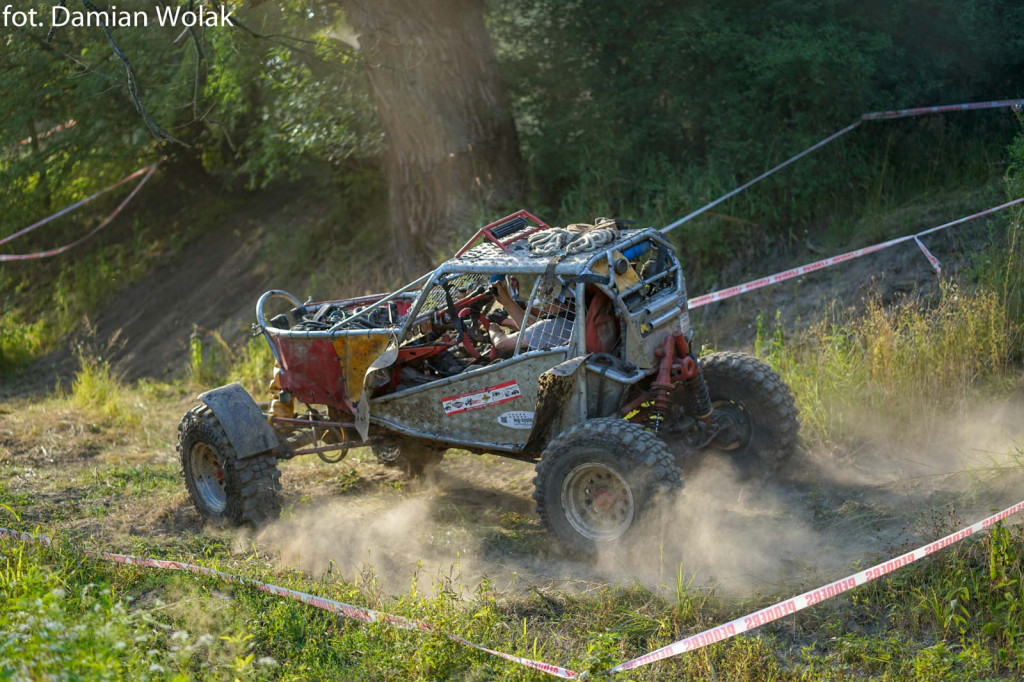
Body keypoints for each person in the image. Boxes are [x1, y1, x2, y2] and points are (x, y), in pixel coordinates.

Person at [487, 277, 573, 356]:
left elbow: (502, 344)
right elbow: (530, 327)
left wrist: (493, 329)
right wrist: (506, 301)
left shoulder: (556, 325)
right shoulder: (574, 318)